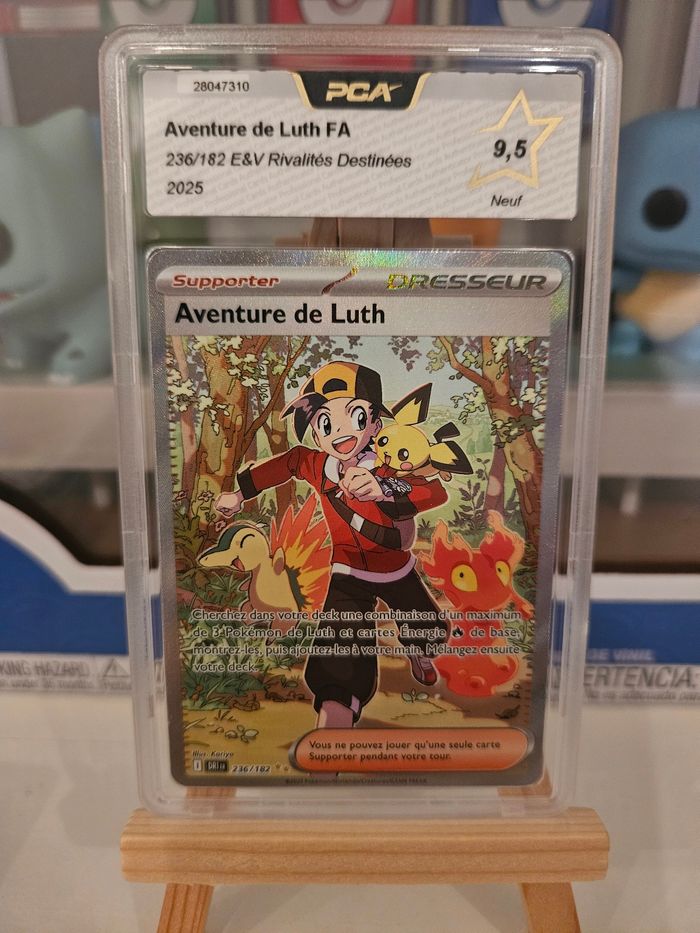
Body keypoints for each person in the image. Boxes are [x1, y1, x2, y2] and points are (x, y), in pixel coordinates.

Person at [216, 360, 448, 729]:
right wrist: (239, 494)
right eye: (325, 423)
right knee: (340, 641)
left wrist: (384, 489)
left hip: (394, 568)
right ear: (316, 433)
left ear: (375, 424)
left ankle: (420, 652)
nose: (339, 431)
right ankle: (336, 711)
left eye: (355, 416)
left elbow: (433, 491)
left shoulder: (391, 463)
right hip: (348, 572)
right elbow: (284, 465)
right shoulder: (317, 465)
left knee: (425, 625)